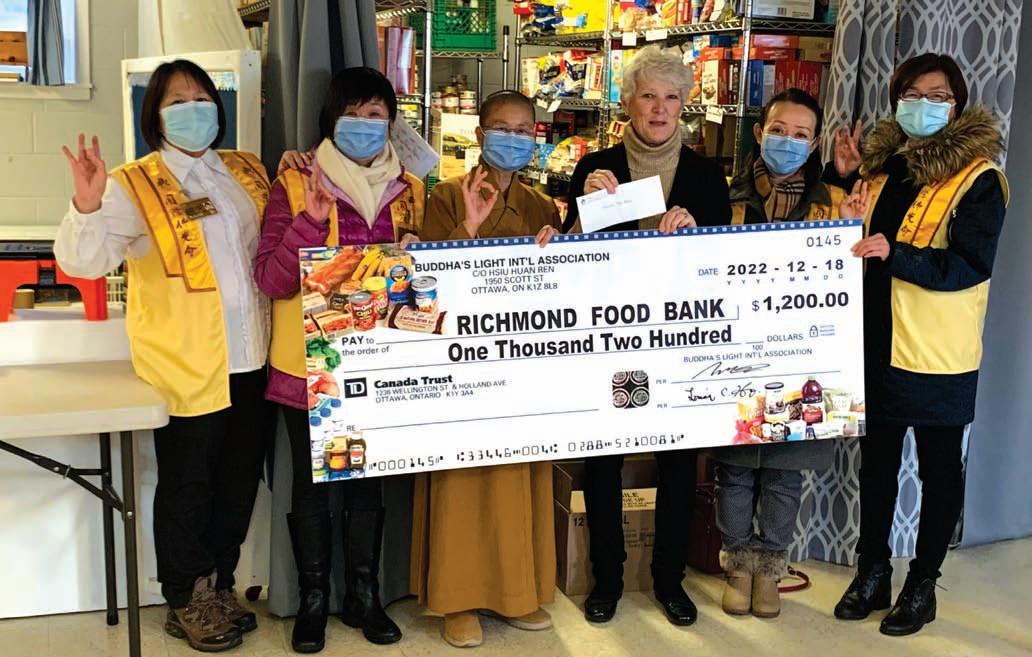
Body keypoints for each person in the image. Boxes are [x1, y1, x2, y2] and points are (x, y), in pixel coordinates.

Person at [53, 60, 272, 653]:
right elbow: (83, 263)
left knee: (238, 481)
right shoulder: (133, 184)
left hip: (254, 356)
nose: (193, 108)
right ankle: (186, 596)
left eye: (202, 97)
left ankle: (220, 585)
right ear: (155, 115)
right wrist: (87, 205)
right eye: (177, 100)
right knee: (187, 483)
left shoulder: (246, 171)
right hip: (186, 362)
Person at [828, 53, 1008, 637]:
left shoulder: (979, 178)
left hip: (936, 352)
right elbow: (851, 233)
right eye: (911, 94)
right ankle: (872, 572)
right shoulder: (883, 166)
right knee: (876, 465)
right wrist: (841, 178)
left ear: (956, 105)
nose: (923, 105)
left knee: (938, 468)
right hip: (875, 338)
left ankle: (923, 583)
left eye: (937, 96)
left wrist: (896, 254)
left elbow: (971, 264)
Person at [253, 67, 423, 652]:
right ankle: (313, 600)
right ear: (331, 119)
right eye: (353, 114)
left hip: (379, 363)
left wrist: (419, 259)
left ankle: (364, 594)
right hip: (309, 364)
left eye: (376, 114)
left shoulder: (411, 189)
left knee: (367, 484)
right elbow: (270, 279)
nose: (365, 124)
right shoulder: (296, 182)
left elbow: (422, 287)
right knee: (312, 486)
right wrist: (308, 220)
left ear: (391, 122)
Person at [562, 46, 732, 626]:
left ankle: (669, 580)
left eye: (671, 97)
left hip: (678, 341)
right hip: (608, 335)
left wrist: (697, 232)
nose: (659, 108)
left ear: (684, 104)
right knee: (603, 460)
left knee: (678, 462)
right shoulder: (597, 167)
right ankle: (607, 580)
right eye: (648, 95)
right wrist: (587, 209)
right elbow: (567, 254)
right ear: (628, 102)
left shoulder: (706, 176)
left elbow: (721, 263)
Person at [709, 88, 869, 619]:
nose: (788, 141)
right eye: (779, 130)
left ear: (815, 143)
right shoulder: (726, 198)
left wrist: (854, 229)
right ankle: (737, 566)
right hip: (734, 353)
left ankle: (771, 569)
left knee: (784, 473)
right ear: (759, 133)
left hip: (804, 357)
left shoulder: (834, 201)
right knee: (734, 470)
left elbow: (853, 278)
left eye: (801, 134)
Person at [411, 90, 561, 649]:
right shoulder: (446, 195)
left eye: (524, 131)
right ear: (479, 134)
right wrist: (468, 230)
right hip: (460, 361)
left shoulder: (542, 206)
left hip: (521, 362)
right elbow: (425, 283)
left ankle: (517, 593)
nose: (513, 139)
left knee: (520, 476)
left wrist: (562, 252)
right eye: (502, 128)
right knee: (462, 482)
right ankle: (456, 599)